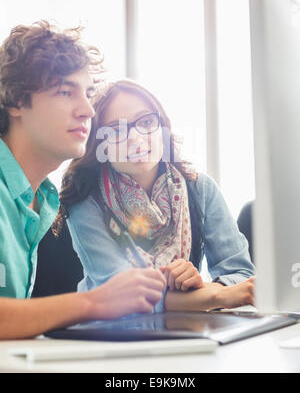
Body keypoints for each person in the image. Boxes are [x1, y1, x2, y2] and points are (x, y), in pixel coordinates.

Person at [0, 23, 166, 340]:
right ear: (15, 101)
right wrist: (93, 301)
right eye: (65, 91)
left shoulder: (42, 199)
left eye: (88, 93)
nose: (88, 110)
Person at [57, 79, 256, 314]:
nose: (136, 139)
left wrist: (203, 286)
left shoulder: (200, 188)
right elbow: (124, 298)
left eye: (146, 121)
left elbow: (241, 275)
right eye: (116, 130)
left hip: (189, 330)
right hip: (107, 334)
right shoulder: (85, 199)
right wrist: (217, 295)